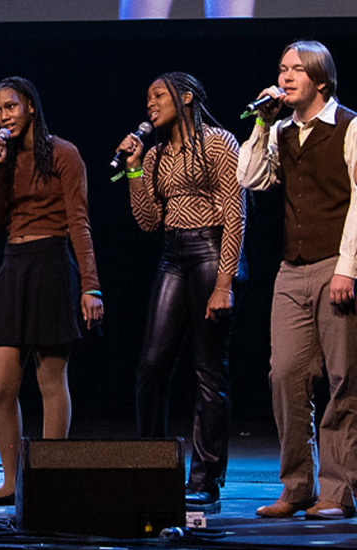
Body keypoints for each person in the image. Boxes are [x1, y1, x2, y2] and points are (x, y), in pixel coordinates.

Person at [0, 76, 104, 506]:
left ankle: (49, 477)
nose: (3, 116)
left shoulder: (64, 154)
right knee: (1, 384)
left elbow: (80, 223)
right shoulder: (4, 158)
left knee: (50, 378)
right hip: (14, 265)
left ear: (30, 107)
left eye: (10, 107)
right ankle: (12, 481)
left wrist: (91, 287)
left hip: (50, 263)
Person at [239, 40, 357, 519]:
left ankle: (337, 490)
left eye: (296, 71)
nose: (285, 78)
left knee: (343, 378)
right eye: (282, 69)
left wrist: (348, 266)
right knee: (284, 374)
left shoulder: (350, 127)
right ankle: (297, 486)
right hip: (292, 267)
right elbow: (250, 178)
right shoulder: (280, 129)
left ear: (320, 80)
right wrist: (262, 122)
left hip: (336, 262)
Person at [116, 72, 245, 509]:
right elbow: (148, 220)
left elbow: (235, 215)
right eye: (146, 97)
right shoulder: (153, 156)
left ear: (185, 96)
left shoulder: (219, 142)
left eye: (158, 95)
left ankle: (205, 478)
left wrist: (225, 281)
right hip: (173, 253)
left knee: (208, 368)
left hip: (212, 251)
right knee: (151, 365)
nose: (149, 104)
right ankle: (150, 464)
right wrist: (134, 168)